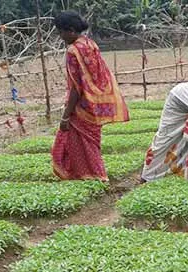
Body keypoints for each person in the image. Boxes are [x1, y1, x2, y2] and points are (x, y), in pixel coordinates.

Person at [51, 11, 129, 181]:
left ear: (71, 30)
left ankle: (97, 176)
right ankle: (86, 176)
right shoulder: (90, 44)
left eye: (61, 32)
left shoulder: (73, 51)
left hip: (82, 107)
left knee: (77, 145)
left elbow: (76, 88)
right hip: (96, 104)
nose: (60, 36)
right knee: (88, 144)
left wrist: (66, 115)